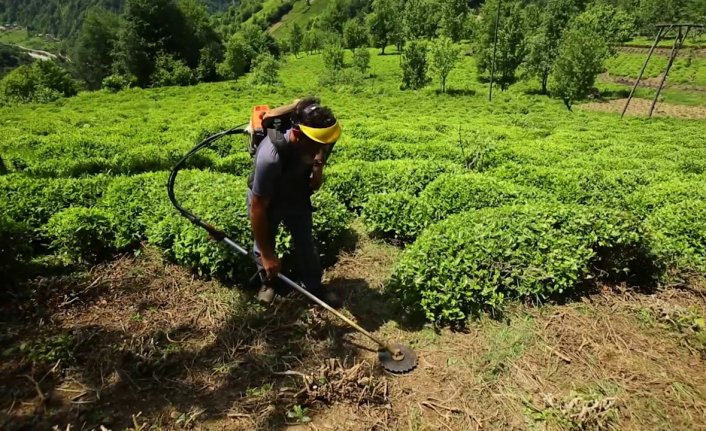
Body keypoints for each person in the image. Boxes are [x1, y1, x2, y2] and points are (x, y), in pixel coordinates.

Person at [247, 98, 342, 306]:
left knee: (306, 243)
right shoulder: (270, 156)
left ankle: (314, 287)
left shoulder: (320, 141)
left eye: (325, 145)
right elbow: (257, 208)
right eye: (317, 146)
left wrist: (318, 167)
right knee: (264, 243)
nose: (322, 149)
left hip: (296, 195)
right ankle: (268, 282)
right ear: (298, 135)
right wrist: (267, 255)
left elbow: (314, 183)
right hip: (269, 198)